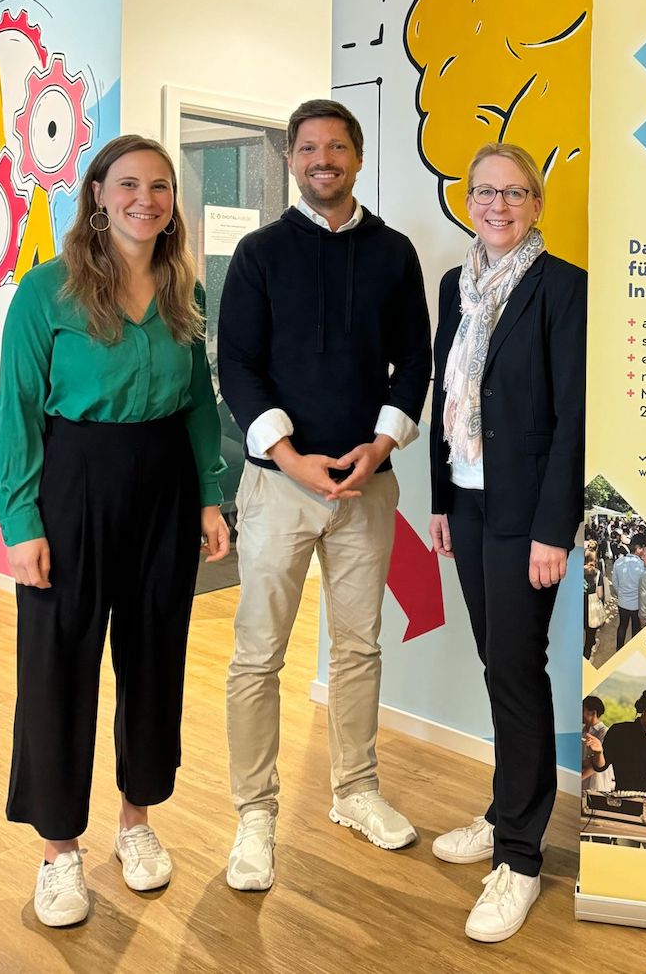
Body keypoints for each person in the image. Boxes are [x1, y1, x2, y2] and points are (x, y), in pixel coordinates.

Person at [0, 135, 229, 927]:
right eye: (127, 184)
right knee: (58, 662)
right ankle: (58, 850)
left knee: (155, 656)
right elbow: (17, 412)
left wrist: (209, 497)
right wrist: (22, 521)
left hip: (164, 483)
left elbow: (198, 405)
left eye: (159, 186)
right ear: (98, 193)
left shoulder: (184, 289)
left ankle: (137, 821)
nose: (144, 199)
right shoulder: (47, 292)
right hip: (73, 483)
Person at [218, 100, 432, 889]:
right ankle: (254, 812)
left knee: (358, 647)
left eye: (337, 147)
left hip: (367, 487)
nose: (322, 160)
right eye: (308, 147)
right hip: (280, 487)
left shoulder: (394, 253)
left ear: (358, 157)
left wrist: (381, 445)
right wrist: (288, 454)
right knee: (258, 653)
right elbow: (237, 365)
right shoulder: (258, 253)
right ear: (290, 159)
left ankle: (355, 789)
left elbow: (416, 361)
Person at [426, 142, 586, 943]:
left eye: (515, 192)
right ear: (468, 201)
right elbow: (445, 394)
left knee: (518, 671)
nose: (499, 205)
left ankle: (520, 857)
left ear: (536, 203)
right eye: (485, 192)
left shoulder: (563, 288)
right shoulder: (455, 286)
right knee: (500, 665)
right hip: (470, 503)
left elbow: (573, 417)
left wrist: (555, 527)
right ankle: (503, 810)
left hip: (527, 517)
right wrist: (440, 500)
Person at [611, 542, 646, 647]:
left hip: (623, 602)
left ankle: (619, 649)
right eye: (643, 549)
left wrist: (621, 594)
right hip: (637, 604)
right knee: (636, 628)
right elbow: (644, 586)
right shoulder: (643, 565)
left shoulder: (618, 562)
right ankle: (633, 650)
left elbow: (615, 582)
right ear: (638, 548)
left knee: (622, 626)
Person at [581, 696, 613, 792]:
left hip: (598, 786)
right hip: (582, 786)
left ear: (593, 713)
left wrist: (577, 779)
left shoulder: (605, 733)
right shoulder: (583, 732)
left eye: (582, 710)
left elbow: (596, 763)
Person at [584, 551, 605, 660]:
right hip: (591, 608)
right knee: (590, 633)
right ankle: (586, 656)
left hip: (579, 606)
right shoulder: (597, 573)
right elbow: (600, 594)